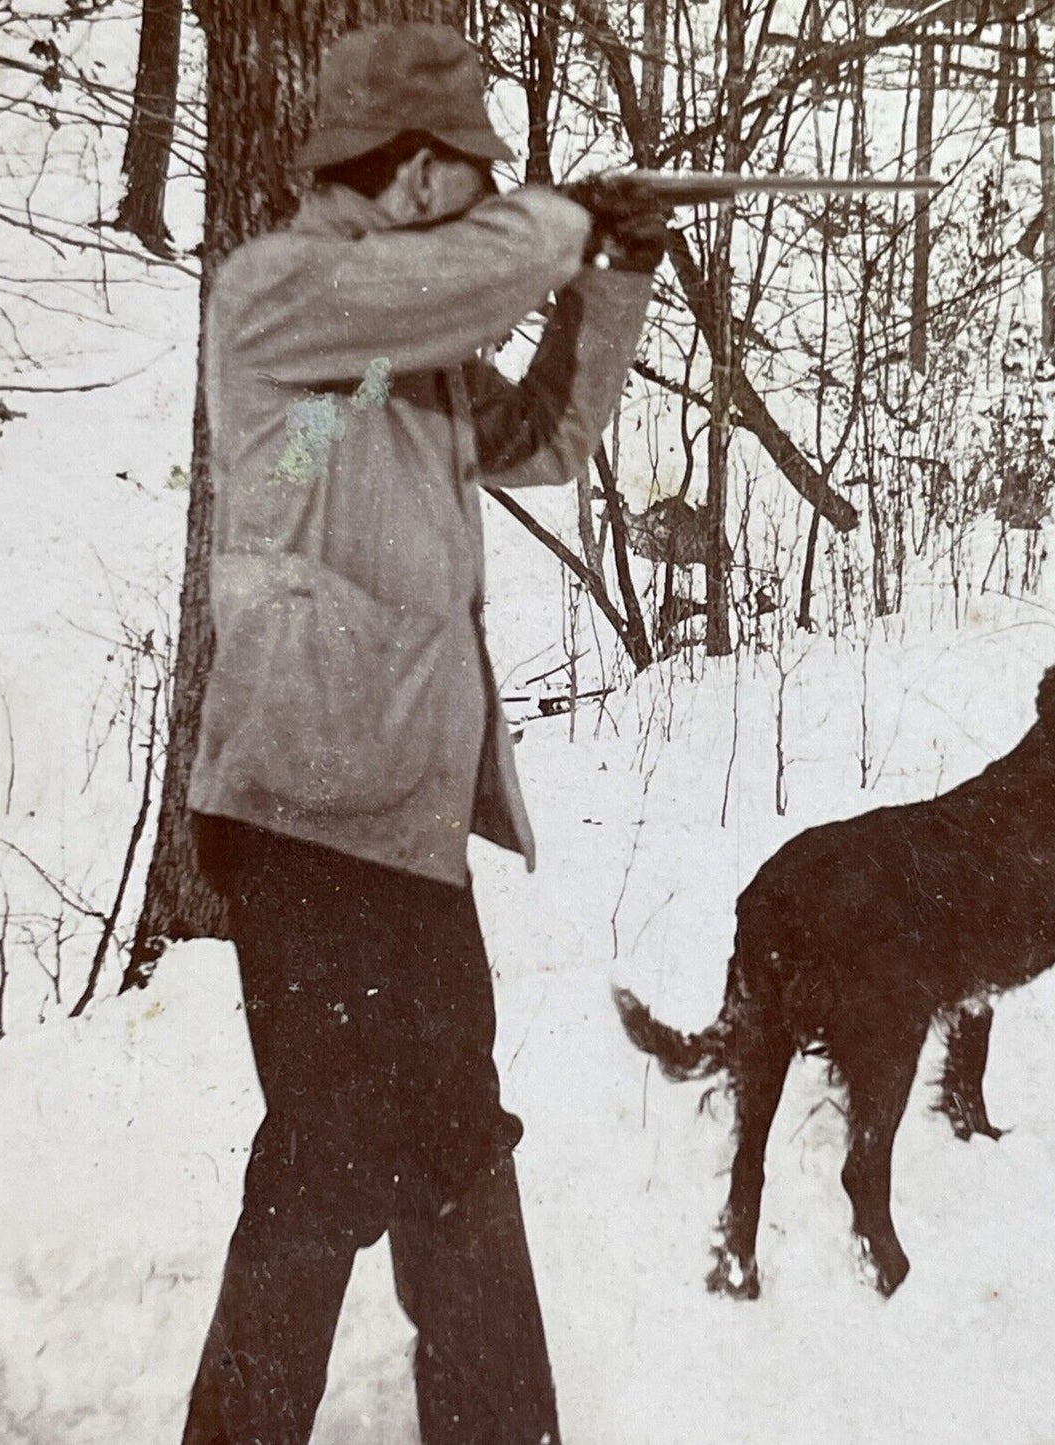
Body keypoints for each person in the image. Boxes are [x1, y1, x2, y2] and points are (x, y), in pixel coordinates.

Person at [180, 23, 663, 1445]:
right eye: (469, 175)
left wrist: (615, 271)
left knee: (455, 1140)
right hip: (299, 804)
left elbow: (546, 447)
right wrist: (566, 219)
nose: (477, 202)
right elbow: (468, 275)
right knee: (329, 1155)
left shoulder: (406, 341)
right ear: (404, 173)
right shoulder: (282, 290)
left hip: (400, 807)